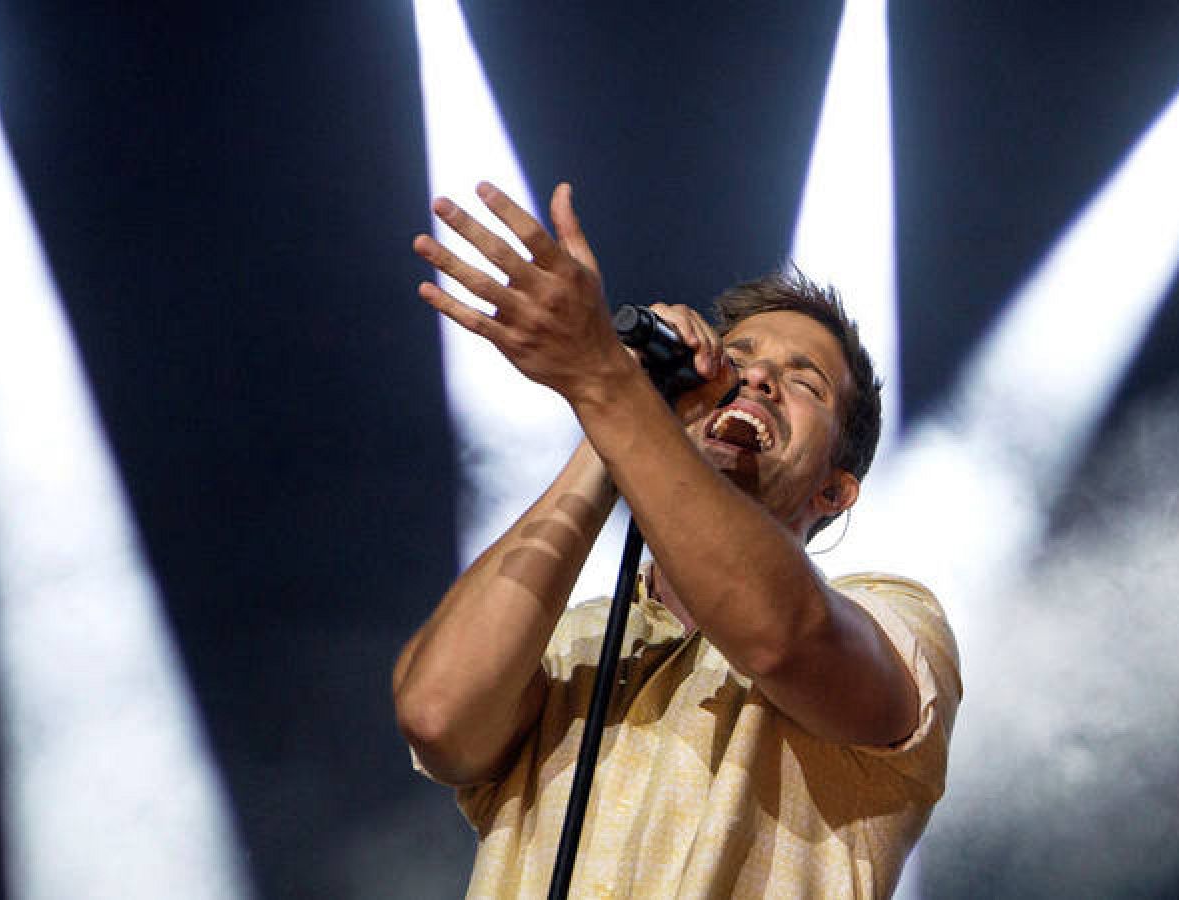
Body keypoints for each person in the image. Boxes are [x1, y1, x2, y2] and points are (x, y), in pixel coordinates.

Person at [392, 181, 961, 898]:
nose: (755, 376)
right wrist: (620, 409)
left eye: (805, 383)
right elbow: (438, 716)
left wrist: (604, 385)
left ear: (834, 490)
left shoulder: (900, 622)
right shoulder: (572, 645)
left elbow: (784, 637)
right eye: (739, 357)